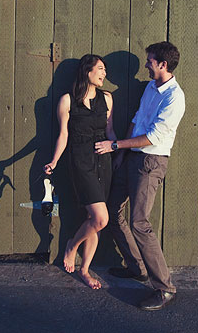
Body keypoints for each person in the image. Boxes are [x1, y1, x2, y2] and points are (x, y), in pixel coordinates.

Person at [95, 42, 185, 311]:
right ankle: (138, 268)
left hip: (150, 161)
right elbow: (137, 119)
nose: (146, 64)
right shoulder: (150, 87)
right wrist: (122, 151)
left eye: (150, 61)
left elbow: (154, 137)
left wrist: (114, 146)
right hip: (131, 156)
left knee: (140, 223)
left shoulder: (174, 97)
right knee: (113, 210)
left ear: (163, 65)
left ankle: (165, 288)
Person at [44, 54, 117, 289]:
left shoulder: (107, 99)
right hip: (80, 162)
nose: (104, 74)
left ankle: (84, 270)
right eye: (101, 69)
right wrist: (54, 161)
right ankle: (72, 247)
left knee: (93, 219)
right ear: (87, 71)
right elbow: (63, 135)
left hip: (103, 163)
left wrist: (119, 154)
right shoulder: (67, 101)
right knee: (101, 218)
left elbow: (110, 131)